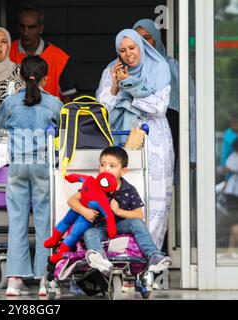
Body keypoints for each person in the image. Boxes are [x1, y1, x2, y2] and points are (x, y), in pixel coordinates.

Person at [96, 29, 174, 250]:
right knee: (122, 196)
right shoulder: (112, 70)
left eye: (132, 48)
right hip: (121, 139)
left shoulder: (159, 68)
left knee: (153, 197)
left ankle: (150, 257)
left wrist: (129, 83)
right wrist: (114, 86)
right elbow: (102, 109)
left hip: (153, 139)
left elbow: (158, 107)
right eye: (122, 50)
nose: (128, 54)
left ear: (142, 47)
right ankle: (125, 258)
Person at [0, 56, 63, 296]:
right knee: (45, 222)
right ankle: (45, 279)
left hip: (17, 167)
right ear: (46, 77)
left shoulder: (11, 102)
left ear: (20, 76)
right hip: (43, 167)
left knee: (17, 220)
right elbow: (64, 132)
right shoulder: (54, 103)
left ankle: (14, 280)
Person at [65, 147, 172, 273]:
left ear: (123, 171)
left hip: (121, 225)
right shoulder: (94, 186)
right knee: (89, 233)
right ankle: (100, 259)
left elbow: (138, 215)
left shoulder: (129, 189)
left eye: (112, 166)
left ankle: (153, 255)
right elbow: (71, 200)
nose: (106, 169)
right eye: (102, 165)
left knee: (137, 223)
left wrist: (118, 211)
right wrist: (84, 211)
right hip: (100, 227)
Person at [132, 19, 197, 179]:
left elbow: (192, 107)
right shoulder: (125, 68)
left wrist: (193, 153)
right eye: (137, 39)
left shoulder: (172, 67)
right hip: (135, 133)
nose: (143, 43)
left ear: (157, 39)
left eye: (147, 38)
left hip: (169, 129)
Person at [9, 6, 76, 103]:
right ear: (17, 27)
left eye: (31, 27)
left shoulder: (58, 57)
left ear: (40, 28)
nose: (26, 32)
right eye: (22, 27)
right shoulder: (7, 52)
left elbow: (68, 96)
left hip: (50, 115)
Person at [223, 139, 238, 257]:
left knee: (234, 223)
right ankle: (231, 249)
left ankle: (231, 249)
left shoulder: (234, 156)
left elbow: (226, 169)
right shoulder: (234, 156)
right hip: (233, 193)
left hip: (232, 193)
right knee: (234, 223)